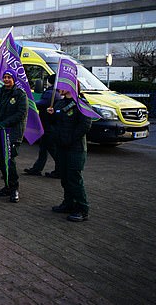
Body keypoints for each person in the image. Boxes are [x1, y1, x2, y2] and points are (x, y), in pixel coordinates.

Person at [47, 88, 92, 222]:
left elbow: (85, 124)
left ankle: (82, 209)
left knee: (74, 178)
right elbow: (55, 122)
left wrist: (70, 138)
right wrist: (51, 115)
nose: (59, 88)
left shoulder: (81, 103)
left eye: (62, 85)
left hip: (75, 148)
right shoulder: (59, 103)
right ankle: (68, 203)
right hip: (61, 147)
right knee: (65, 177)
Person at [0, 69, 27, 203]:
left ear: (14, 79)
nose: (6, 80)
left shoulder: (19, 94)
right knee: (2, 161)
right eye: (4, 77)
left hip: (12, 133)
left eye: (9, 77)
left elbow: (21, 113)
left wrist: (4, 123)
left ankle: (14, 188)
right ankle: (7, 186)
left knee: (10, 161)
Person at [24, 74, 61, 177]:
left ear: (50, 81)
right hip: (47, 125)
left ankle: (60, 170)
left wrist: (29, 102)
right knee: (43, 148)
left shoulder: (51, 93)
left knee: (52, 149)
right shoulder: (54, 92)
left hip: (49, 125)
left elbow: (41, 103)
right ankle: (37, 169)